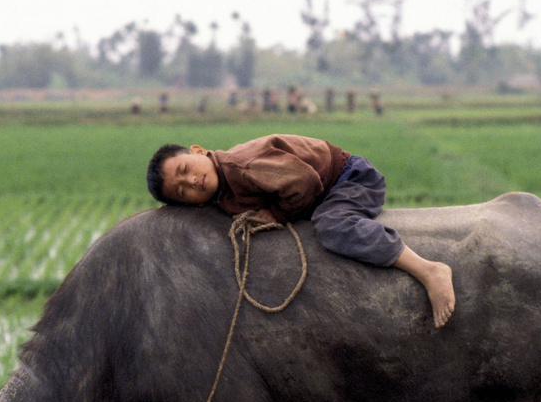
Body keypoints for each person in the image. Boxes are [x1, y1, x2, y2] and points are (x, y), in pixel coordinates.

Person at [145, 135, 455, 327]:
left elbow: (305, 182)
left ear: (198, 151)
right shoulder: (219, 192)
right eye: (182, 192)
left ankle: (429, 270)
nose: (191, 183)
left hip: (348, 179)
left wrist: (276, 214)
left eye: (185, 171)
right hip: (320, 191)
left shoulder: (242, 166)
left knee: (333, 226)